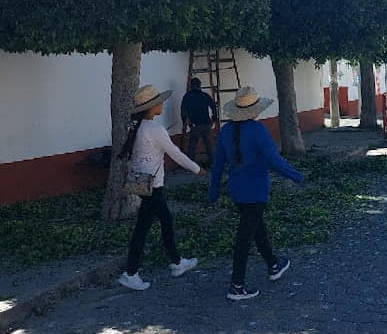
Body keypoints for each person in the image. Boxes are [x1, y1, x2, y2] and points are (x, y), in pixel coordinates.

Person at [209, 86, 304, 301]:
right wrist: (296, 175)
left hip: (237, 190)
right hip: (257, 190)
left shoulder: (225, 131)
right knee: (245, 237)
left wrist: (213, 190)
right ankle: (237, 285)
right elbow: (274, 160)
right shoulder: (259, 130)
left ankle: (273, 265)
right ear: (254, 110)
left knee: (256, 228)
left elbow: (218, 165)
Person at [118, 84, 206, 291]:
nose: (162, 104)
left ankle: (172, 262)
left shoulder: (139, 127)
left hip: (144, 184)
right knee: (159, 222)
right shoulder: (154, 129)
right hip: (153, 185)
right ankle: (137, 271)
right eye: (159, 102)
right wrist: (197, 169)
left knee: (148, 225)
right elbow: (175, 153)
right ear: (151, 107)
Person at [181, 77, 218, 166]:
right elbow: (213, 106)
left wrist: (184, 122)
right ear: (200, 86)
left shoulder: (187, 96)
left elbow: (183, 110)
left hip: (195, 124)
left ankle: (190, 164)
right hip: (207, 123)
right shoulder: (205, 95)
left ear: (191, 86)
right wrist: (214, 118)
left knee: (192, 145)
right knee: (209, 144)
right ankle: (213, 162)